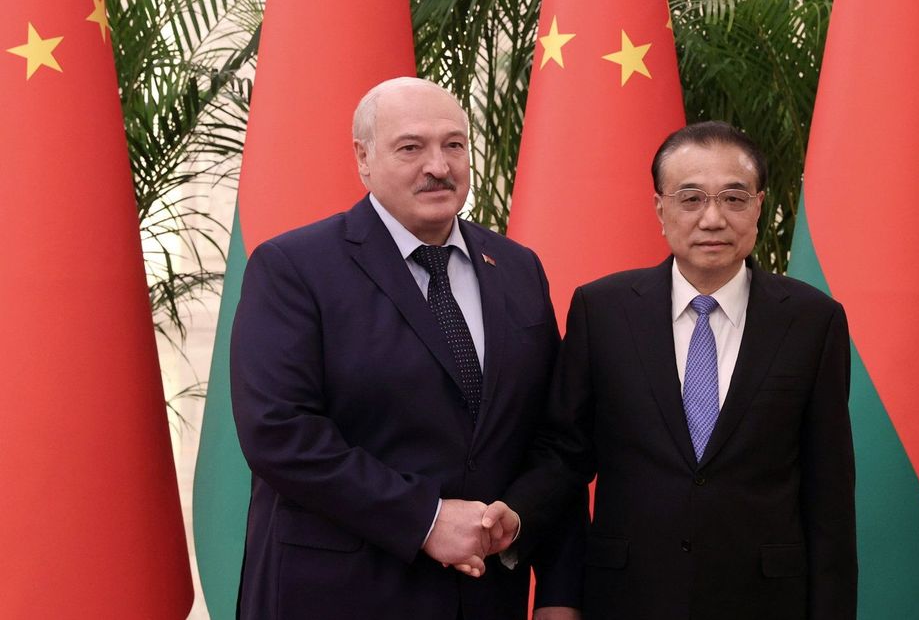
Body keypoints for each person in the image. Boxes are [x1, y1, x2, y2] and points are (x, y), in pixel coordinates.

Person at [231, 77, 581, 620]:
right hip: (336, 595)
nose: (438, 165)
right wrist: (426, 518)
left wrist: (525, 527)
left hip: (485, 597)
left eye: (454, 145)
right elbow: (279, 431)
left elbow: (554, 433)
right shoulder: (294, 268)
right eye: (411, 147)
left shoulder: (518, 269)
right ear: (364, 159)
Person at [501, 121, 857, 619]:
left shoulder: (812, 320)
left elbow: (830, 495)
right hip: (627, 596)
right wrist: (514, 514)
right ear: (660, 209)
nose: (713, 219)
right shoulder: (602, 311)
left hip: (765, 600)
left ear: (758, 205)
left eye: (733, 199)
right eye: (690, 199)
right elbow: (565, 452)